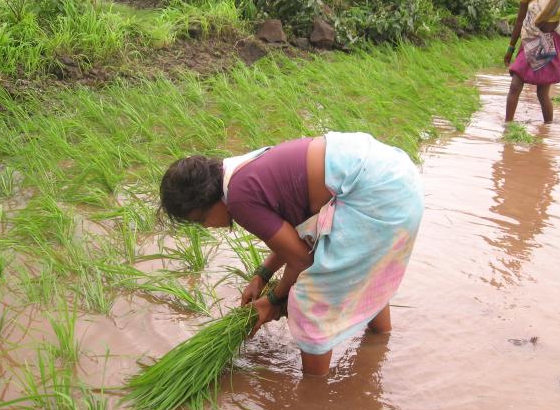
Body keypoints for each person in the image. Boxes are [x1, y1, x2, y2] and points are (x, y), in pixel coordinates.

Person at [159, 132, 424, 376]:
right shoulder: (239, 170)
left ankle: (312, 393)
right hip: (397, 180)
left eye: (201, 219)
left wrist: (274, 300)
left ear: (208, 199)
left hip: (376, 197)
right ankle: (379, 343)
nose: (207, 226)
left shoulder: (239, 200)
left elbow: (301, 259)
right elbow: (296, 238)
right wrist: (262, 275)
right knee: (364, 272)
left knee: (309, 299)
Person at [504, 0, 560, 123]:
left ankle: (547, 129)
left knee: (542, 93)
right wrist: (511, 47)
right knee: (515, 85)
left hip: (548, 43)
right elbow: (520, 20)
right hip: (529, 39)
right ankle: (507, 126)